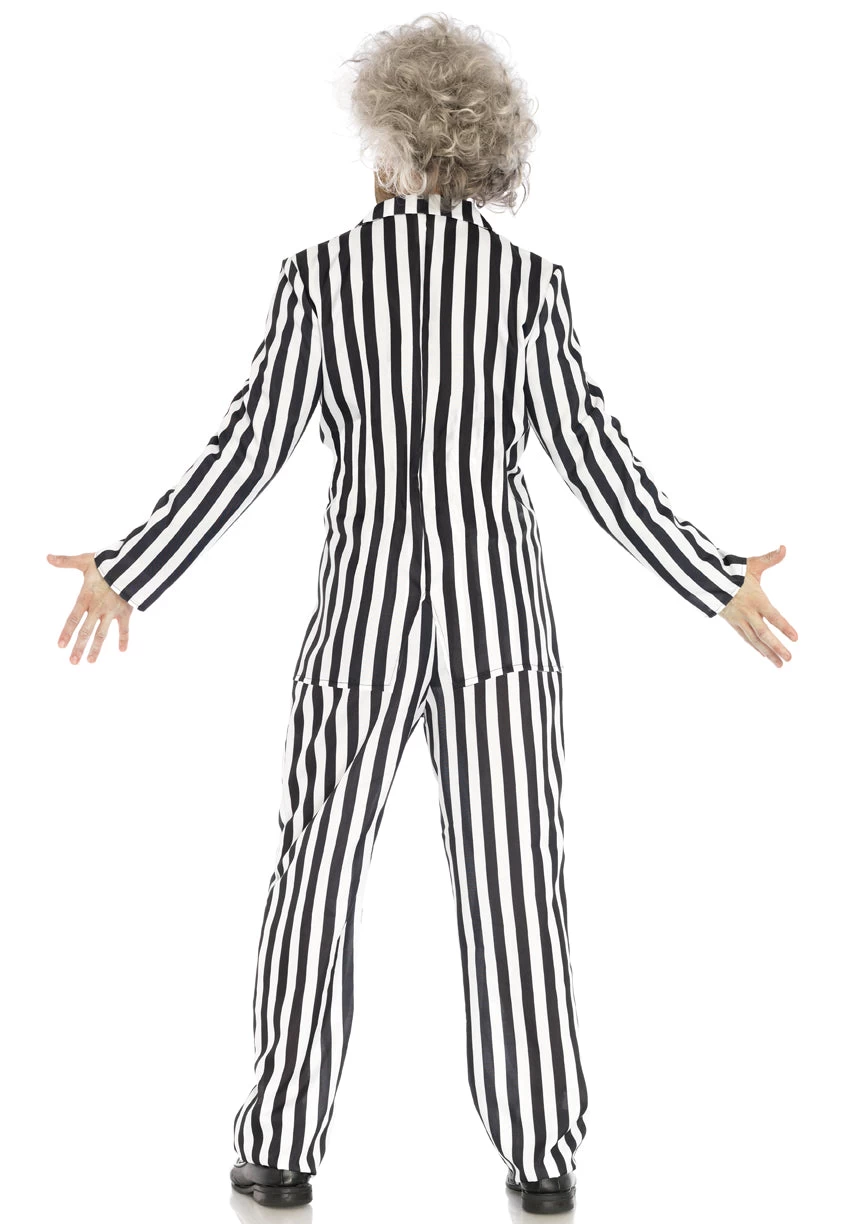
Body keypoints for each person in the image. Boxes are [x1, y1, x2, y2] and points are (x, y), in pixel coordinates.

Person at [46, 13, 797, 1216]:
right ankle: (542, 1158)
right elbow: (600, 465)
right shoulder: (528, 289)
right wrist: (716, 578)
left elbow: (247, 453)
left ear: (390, 143)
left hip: (361, 627)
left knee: (315, 875)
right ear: (488, 151)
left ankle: (279, 1149)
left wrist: (129, 566)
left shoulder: (322, 278)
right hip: (501, 631)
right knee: (515, 884)